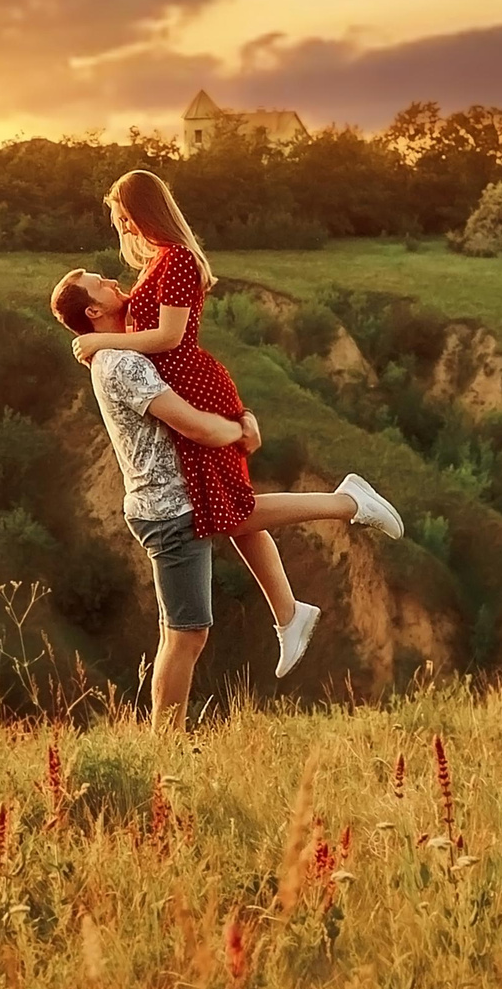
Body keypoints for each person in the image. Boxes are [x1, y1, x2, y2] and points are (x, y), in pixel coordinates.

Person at [53, 265, 404, 726]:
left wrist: (241, 415)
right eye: (101, 285)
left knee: (230, 539)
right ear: (94, 309)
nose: (115, 282)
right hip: (168, 508)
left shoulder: (125, 347)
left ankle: (300, 593)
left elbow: (194, 378)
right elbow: (192, 423)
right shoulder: (122, 363)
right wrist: (240, 430)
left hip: (180, 495)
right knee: (185, 636)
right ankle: (166, 747)